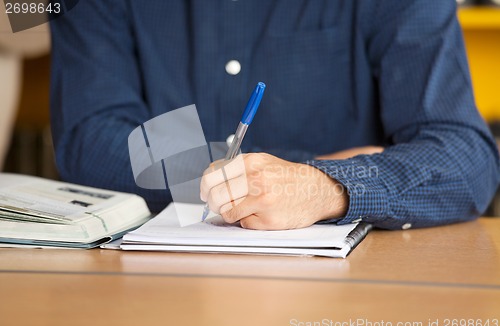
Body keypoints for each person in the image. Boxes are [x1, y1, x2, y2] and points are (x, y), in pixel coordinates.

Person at [50, 0, 500, 230]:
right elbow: (93, 138)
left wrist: (327, 189)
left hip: (350, 295)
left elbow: (466, 157)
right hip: (151, 292)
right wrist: (310, 173)